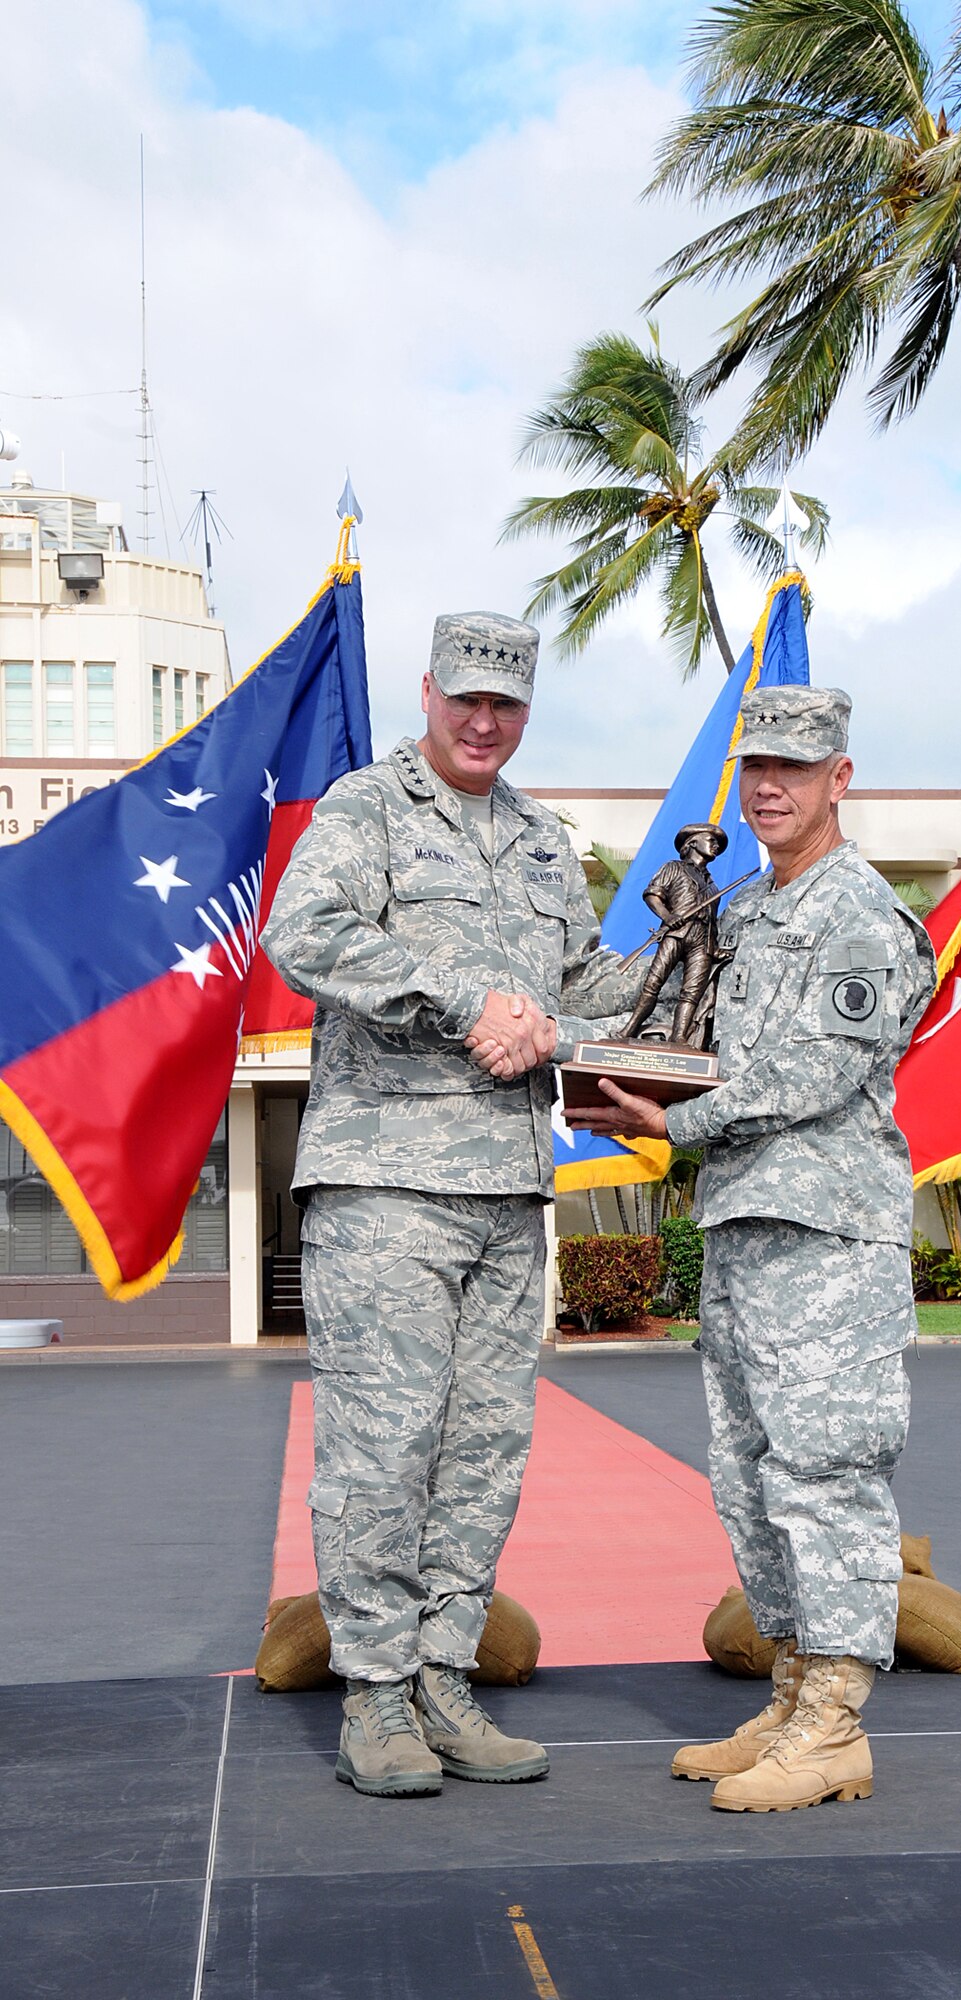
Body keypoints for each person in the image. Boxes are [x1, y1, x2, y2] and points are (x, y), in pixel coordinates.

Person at [261, 611, 640, 1799]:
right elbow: (304, 930)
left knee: (483, 1451)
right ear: (426, 692)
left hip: (506, 1185)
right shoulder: (366, 810)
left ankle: (441, 1678)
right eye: (465, 698)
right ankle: (374, 1695)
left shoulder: (541, 840)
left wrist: (681, 956)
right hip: (385, 1185)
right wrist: (465, 994)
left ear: (526, 711)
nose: (484, 722)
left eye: (507, 705)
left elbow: (580, 988)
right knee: (383, 1447)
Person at [565, 684, 937, 1814]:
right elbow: (652, 1007)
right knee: (748, 1475)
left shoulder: (861, 918)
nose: (768, 786)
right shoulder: (745, 909)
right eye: (756, 768)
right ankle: (789, 1687)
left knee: (825, 1468)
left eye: (793, 766)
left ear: (840, 778)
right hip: (742, 1226)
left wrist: (668, 1120)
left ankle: (833, 1723)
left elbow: (809, 1075)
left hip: (828, 1236)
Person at [621, 821, 729, 1048]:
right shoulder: (673, 868)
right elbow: (652, 895)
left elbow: (712, 920)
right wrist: (667, 916)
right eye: (711, 841)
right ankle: (628, 1029)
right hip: (676, 933)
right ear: (692, 843)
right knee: (653, 984)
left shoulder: (713, 886)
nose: (715, 846)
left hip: (702, 940)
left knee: (692, 993)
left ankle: (679, 1037)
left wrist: (715, 946)